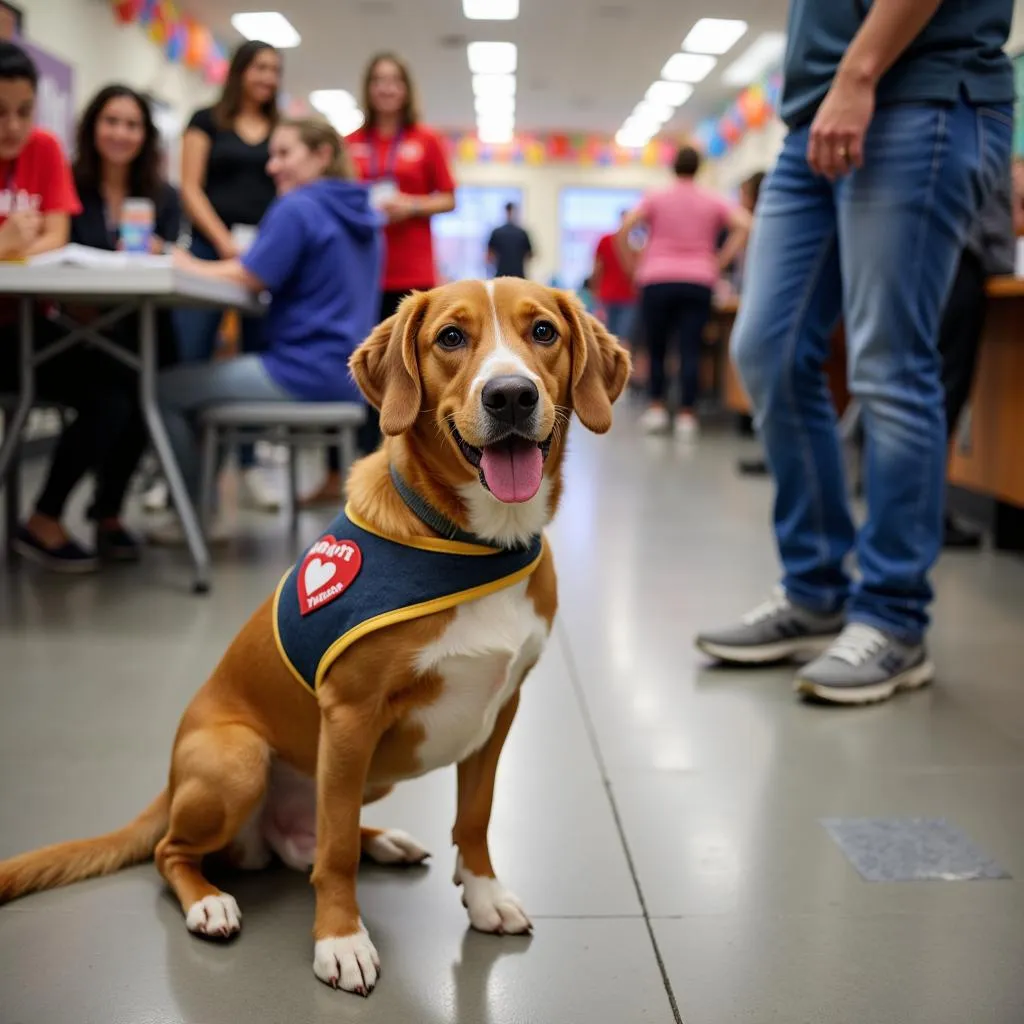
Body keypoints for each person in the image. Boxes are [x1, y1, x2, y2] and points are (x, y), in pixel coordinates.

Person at [696, 0, 1014, 705]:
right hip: (813, 112)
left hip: (919, 93)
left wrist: (860, 71)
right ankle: (814, 594)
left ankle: (894, 619)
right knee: (767, 349)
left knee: (889, 365)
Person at [152, 117, 381, 542]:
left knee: (165, 390)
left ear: (322, 155)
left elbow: (250, 275)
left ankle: (191, 518)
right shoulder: (360, 212)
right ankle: (202, 508)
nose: (271, 166)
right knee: (210, 387)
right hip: (348, 377)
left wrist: (187, 264)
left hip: (301, 371)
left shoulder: (299, 206)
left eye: (284, 154)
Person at [0, 45, 142, 572]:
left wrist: (15, 247)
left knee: (119, 384)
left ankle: (46, 515)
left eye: (23, 111)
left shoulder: (43, 148)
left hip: (26, 327)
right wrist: (8, 245)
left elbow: (56, 233)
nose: (13, 126)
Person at [300, 51, 455, 506]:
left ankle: (407, 470)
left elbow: (448, 198)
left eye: (394, 81)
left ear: (406, 89)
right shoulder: (349, 142)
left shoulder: (425, 142)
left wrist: (410, 205)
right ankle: (338, 471)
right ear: (368, 89)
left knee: (408, 376)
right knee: (353, 370)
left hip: (411, 275)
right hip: (355, 274)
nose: (386, 88)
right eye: (379, 80)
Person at [176, 40, 281, 512]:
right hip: (208, 250)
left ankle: (247, 463)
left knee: (255, 353)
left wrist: (267, 248)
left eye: (275, 70)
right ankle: (178, 471)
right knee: (190, 352)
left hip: (263, 260)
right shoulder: (205, 121)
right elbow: (190, 188)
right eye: (260, 67)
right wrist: (221, 241)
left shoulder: (282, 129)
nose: (267, 77)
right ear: (239, 71)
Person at [619, 145, 751, 440]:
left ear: (673, 167)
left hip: (657, 279)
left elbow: (625, 227)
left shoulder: (656, 197)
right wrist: (718, 261)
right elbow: (745, 224)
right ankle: (687, 414)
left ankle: (656, 407)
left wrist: (634, 266)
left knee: (657, 347)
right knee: (690, 347)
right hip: (698, 280)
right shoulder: (712, 199)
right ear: (699, 168)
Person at [938, 168, 1015, 548]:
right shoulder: (985, 134)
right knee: (945, 396)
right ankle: (929, 515)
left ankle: (908, 513)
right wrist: (1000, 262)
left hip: (927, 265)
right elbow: (998, 225)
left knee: (918, 392)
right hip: (962, 269)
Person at [593, 209, 637, 346]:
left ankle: (619, 366)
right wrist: (595, 291)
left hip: (628, 297)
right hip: (610, 296)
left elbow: (597, 269)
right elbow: (598, 269)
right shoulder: (608, 241)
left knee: (617, 337)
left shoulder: (636, 244)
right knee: (615, 337)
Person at [487, 200, 532, 278]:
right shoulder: (522, 233)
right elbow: (529, 255)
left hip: (501, 276)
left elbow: (489, 256)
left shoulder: (497, 232)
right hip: (518, 276)